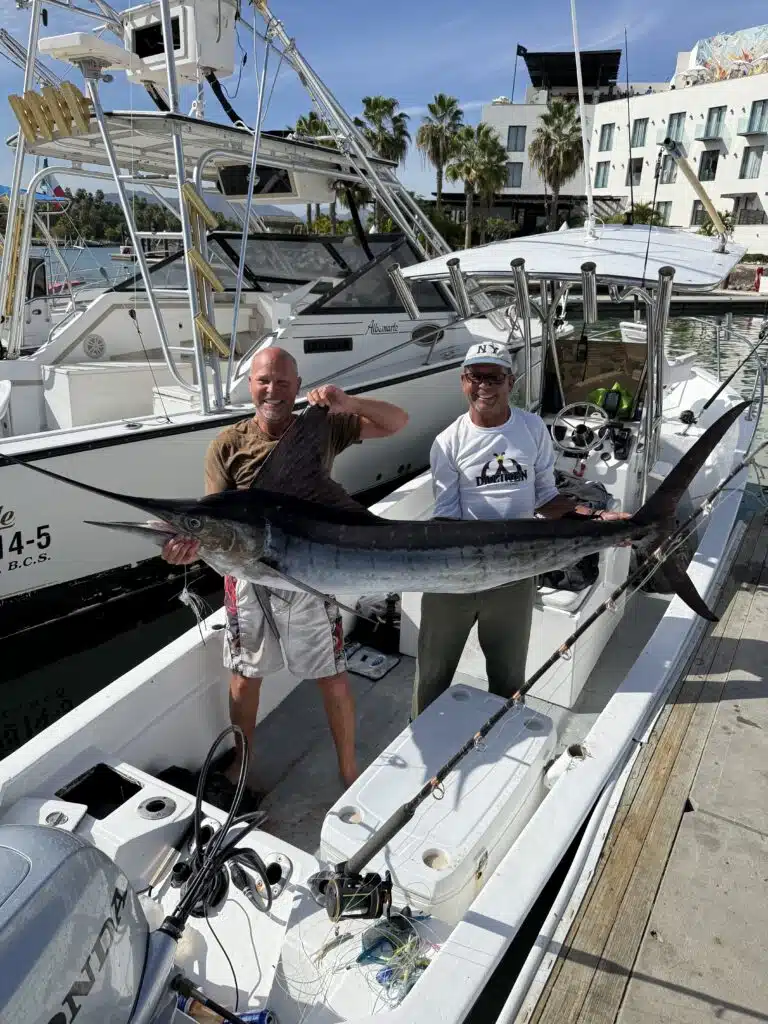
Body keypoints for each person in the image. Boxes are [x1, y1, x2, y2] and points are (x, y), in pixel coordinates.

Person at [162, 346, 408, 800]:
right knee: (244, 675)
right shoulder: (228, 444)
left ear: (297, 387)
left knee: (330, 673)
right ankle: (242, 759)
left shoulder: (323, 428)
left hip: (311, 570)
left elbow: (397, 422)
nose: (271, 389)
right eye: (263, 381)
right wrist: (186, 551)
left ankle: (349, 768)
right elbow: (213, 523)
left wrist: (348, 402)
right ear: (251, 386)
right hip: (249, 575)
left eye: (281, 381)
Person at [411, 341, 630, 720]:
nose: (485, 385)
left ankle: (505, 734)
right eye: (476, 376)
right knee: (431, 674)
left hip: (515, 573)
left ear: (510, 381)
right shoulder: (447, 442)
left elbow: (546, 498)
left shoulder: (530, 428)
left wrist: (595, 517)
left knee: (509, 676)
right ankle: (421, 745)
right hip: (454, 579)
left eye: (494, 376)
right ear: (463, 381)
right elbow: (447, 519)